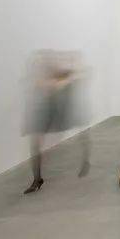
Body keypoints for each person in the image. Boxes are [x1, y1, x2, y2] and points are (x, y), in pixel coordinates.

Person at [22, 49, 91, 194]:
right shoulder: (45, 77)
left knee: (82, 129)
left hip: (61, 111)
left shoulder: (62, 75)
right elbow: (44, 86)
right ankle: (37, 179)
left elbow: (77, 75)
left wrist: (67, 77)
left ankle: (86, 160)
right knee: (35, 143)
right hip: (47, 112)